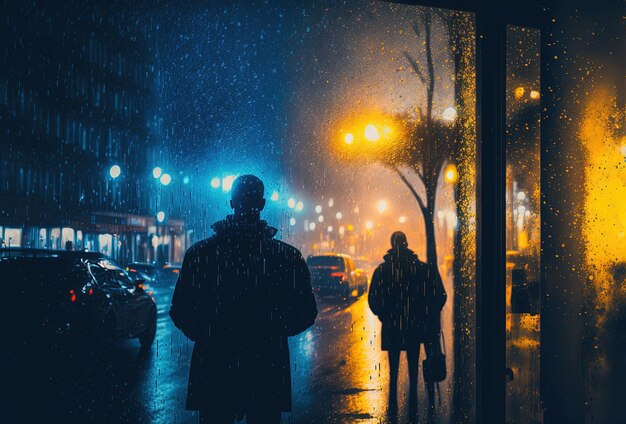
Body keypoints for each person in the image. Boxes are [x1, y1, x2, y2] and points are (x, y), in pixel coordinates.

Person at [170, 174, 318, 424]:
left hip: (215, 365)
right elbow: (306, 312)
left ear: (231, 203)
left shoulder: (201, 254)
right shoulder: (285, 257)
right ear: (261, 204)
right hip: (266, 367)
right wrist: (272, 331)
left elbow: (180, 309)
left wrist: (209, 334)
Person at [368, 231, 447, 421]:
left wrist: (385, 315)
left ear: (391, 244)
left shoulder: (383, 270)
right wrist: (427, 314)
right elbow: (440, 296)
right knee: (413, 367)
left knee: (393, 369)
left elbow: (373, 299)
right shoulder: (421, 269)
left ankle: (393, 407)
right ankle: (413, 410)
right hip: (415, 326)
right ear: (406, 243)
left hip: (393, 326)